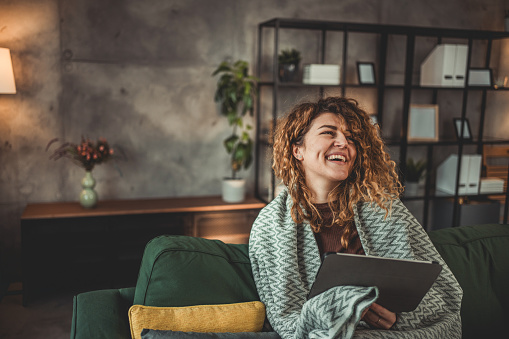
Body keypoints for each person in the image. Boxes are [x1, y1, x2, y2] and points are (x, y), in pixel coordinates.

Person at [249, 96, 462, 338]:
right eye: (329, 133)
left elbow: (442, 294)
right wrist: (342, 308)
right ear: (298, 150)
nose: (343, 142)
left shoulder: (385, 207)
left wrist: (399, 319)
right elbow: (285, 317)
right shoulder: (271, 225)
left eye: (351, 138)